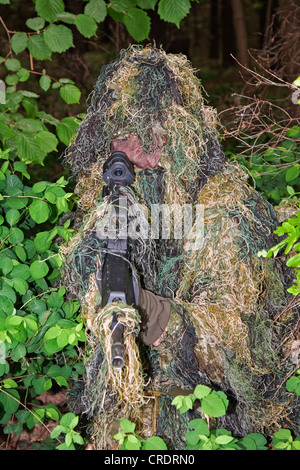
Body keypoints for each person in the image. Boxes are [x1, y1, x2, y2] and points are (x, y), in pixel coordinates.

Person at [62, 45, 299, 449]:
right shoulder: (124, 201)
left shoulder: (225, 212)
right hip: (131, 422)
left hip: (213, 423)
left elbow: (235, 355)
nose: (132, 154)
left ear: (180, 136)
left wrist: (154, 315)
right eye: (120, 139)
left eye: (146, 136)